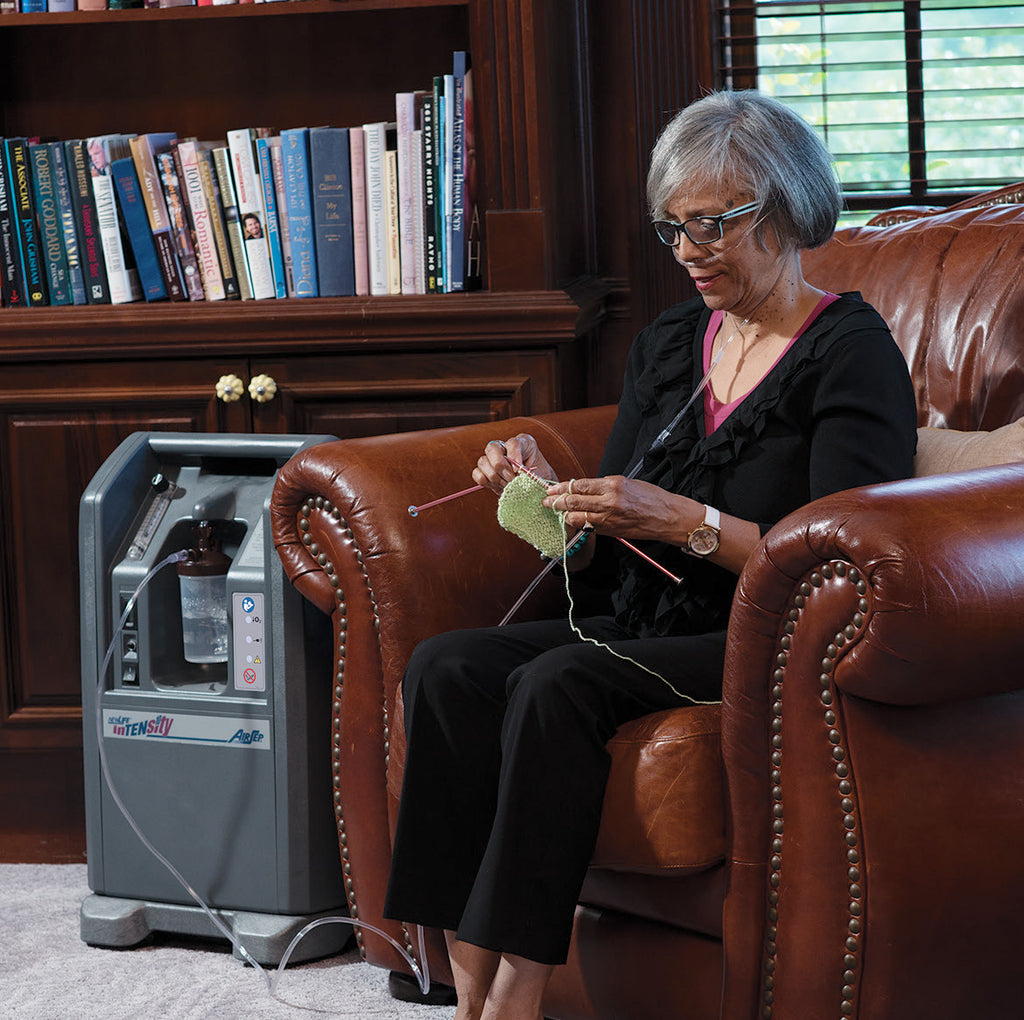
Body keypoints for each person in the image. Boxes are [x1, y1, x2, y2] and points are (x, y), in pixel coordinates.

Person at [383, 90, 918, 1020]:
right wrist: (557, 494)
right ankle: (460, 961)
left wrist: (685, 520)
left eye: (713, 224)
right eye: (673, 229)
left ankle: (523, 982)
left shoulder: (851, 353)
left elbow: (844, 563)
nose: (689, 252)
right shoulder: (672, 343)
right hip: (639, 619)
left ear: (787, 208)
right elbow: (606, 545)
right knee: (448, 666)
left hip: (759, 639)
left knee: (560, 683)